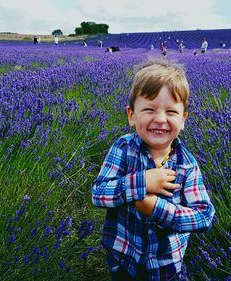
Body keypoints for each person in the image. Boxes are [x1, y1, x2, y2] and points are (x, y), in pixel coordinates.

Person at [92, 58, 215, 281]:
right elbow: (99, 194)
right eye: (149, 109)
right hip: (122, 256)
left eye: (171, 112)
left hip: (166, 265)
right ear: (131, 115)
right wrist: (142, 182)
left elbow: (204, 216)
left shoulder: (187, 165)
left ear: (184, 119)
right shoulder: (123, 149)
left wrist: (157, 208)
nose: (160, 119)